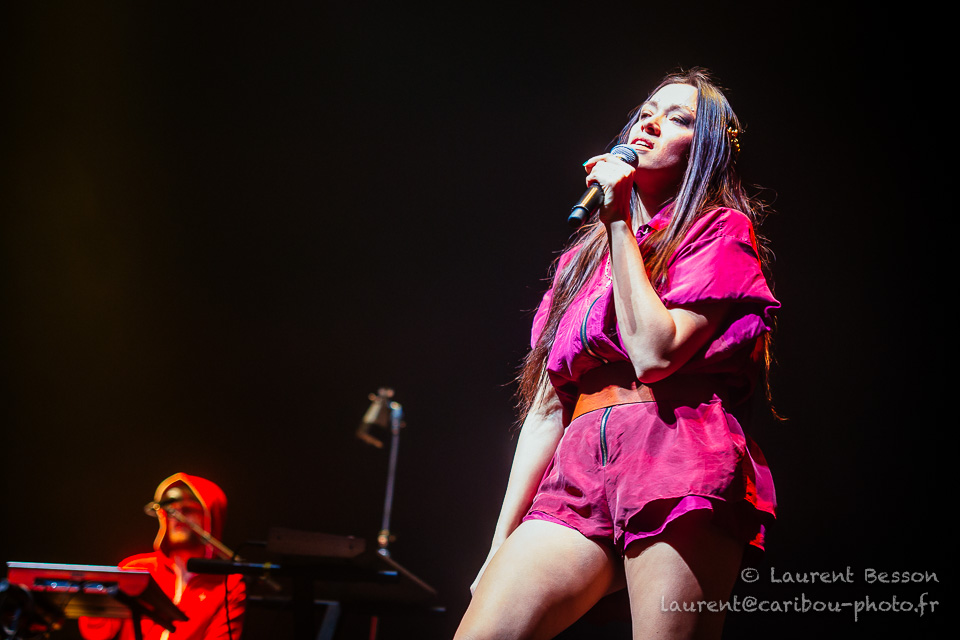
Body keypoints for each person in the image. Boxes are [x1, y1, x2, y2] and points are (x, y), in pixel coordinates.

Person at [454, 68, 780, 640]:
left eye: (677, 118)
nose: (649, 123)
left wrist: (620, 225)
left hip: (676, 455)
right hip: (577, 469)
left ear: (704, 148)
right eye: (645, 113)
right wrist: (498, 544)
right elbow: (547, 411)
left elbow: (655, 355)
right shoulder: (580, 262)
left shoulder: (718, 230)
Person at [79, 473, 245, 640]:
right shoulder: (136, 569)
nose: (178, 513)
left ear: (211, 517)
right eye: (171, 509)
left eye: (188, 509)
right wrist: (93, 601)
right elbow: (96, 634)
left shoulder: (229, 585)